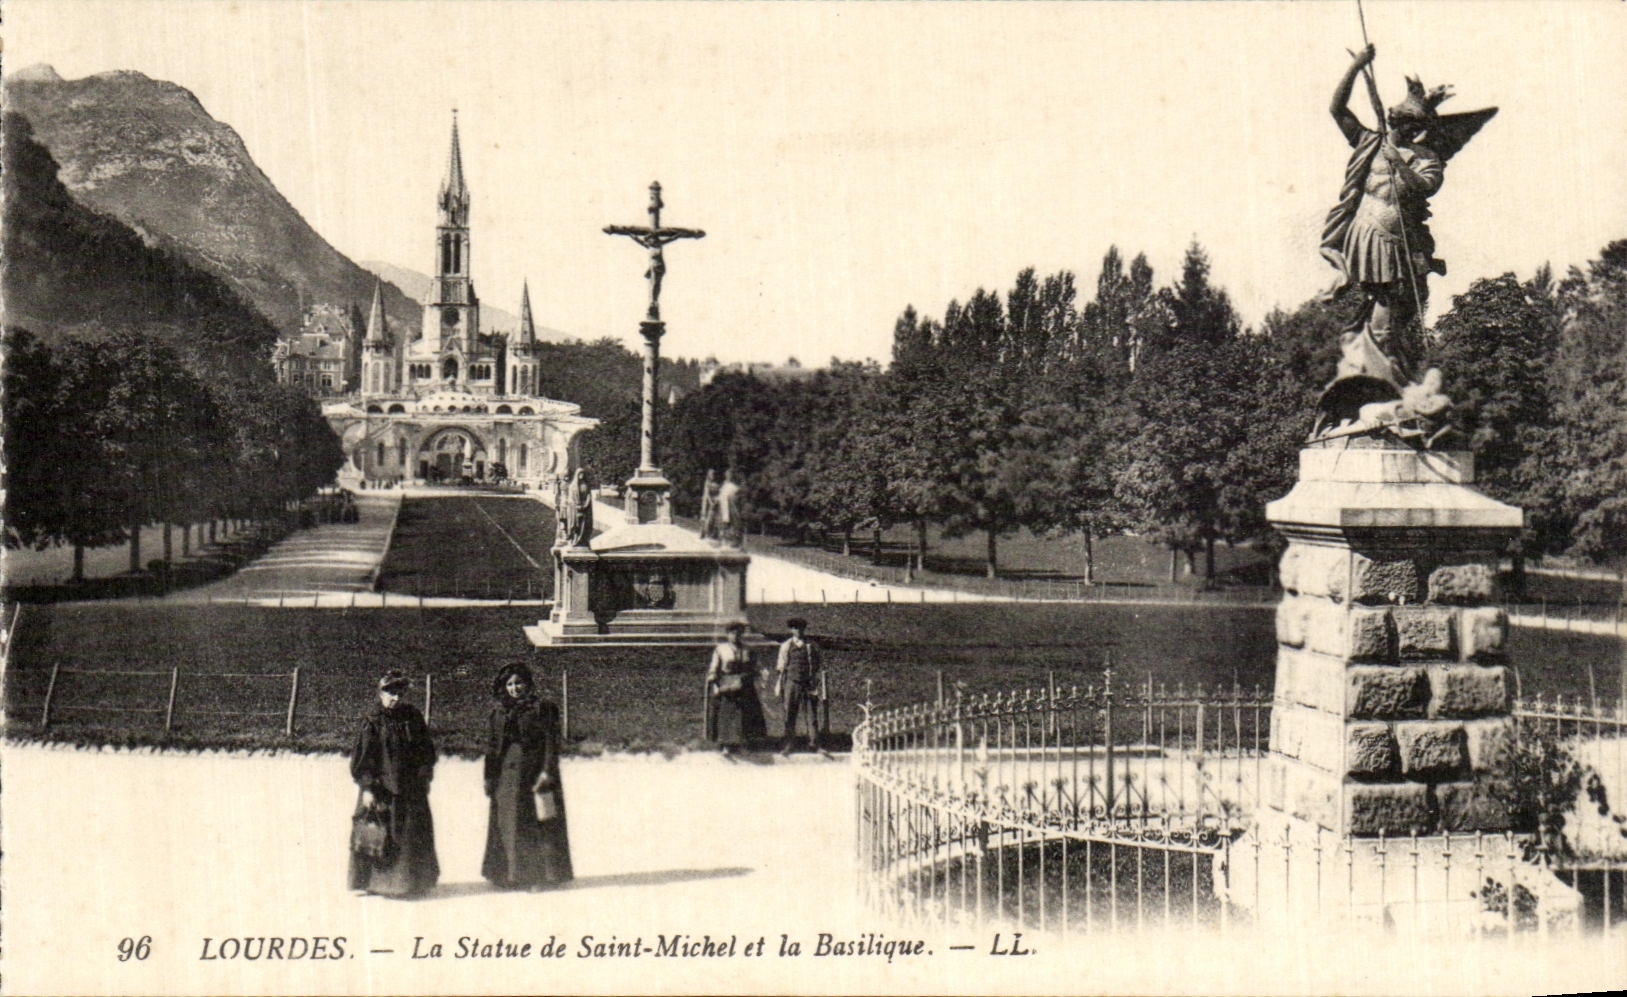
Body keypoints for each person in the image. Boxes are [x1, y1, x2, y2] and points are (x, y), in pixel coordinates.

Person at [1317, 43, 1495, 427]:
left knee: (1394, 317)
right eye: (1397, 120)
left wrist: (1402, 164)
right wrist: (1357, 67)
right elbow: (1337, 109)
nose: (1400, 126)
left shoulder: (1426, 157)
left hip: (1402, 244)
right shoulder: (1369, 143)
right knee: (1380, 317)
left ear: (1417, 128)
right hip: (1368, 235)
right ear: (1393, 118)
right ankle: (1381, 388)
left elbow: (1426, 188)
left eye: (1408, 125)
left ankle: (1389, 386)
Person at [481, 663, 573, 890]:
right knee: (509, 824)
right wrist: (489, 777)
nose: (515, 688)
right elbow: (492, 749)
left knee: (537, 823)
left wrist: (547, 771)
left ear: (528, 683)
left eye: (519, 683)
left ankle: (538, 877)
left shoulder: (542, 708)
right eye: (510, 684)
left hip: (534, 773)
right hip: (507, 777)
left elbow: (551, 742)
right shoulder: (498, 713)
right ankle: (508, 875)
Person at [348, 671, 439, 898]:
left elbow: (426, 750)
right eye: (390, 693)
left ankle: (409, 883)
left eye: (399, 693)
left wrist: (424, 774)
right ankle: (374, 882)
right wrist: (367, 787)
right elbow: (363, 758)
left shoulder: (412, 717)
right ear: (380, 693)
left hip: (410, 788)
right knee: (379, 832)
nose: (395, 698)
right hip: (382, 788)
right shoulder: (372, 721)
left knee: (409, 834)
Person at [705, 621, 766, 756]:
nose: (735, 636)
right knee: (727, 715)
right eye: (732, 633)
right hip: (728, 685)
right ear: (727, 634)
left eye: (739, 633)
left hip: (745, 686)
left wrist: (761, 674)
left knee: (746, 714)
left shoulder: (748, 649)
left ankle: (744, 743)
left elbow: (757, 667)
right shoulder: (721, 649)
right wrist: (715, 685)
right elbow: (714, 669)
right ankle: (726, 745)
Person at [774, 617, 826, 755]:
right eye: (795, 628)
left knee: (811, 714)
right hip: (792, 683)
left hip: (808, 683)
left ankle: (814, 743)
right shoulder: (786, 646)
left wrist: (815, 678)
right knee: (790, 713)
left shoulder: (811, 645)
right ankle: (789, 744)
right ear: (791, 630)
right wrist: (781, 684)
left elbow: (818, 663)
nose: (798, 631)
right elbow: (781, 667)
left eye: (801, 628)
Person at [567, 468, 594, 548]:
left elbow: (589, 495)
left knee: (584, 524)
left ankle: (583, 541)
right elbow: (570, 498)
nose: (581, 476)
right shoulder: (572, 486)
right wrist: (576, 505)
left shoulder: (586, 485)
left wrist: (586, 504)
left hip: (584, 508)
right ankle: (575, 540)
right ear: (577, 475)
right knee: (576, 524)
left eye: (582, 474)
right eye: (580, 474)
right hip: (576, 508)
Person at [698, 469, 720, 540]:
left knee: (709, 517)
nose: (712, 476)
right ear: (708, 475)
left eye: (713, 474)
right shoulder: (707, 483)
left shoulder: (712, 483)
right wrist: (710, 502)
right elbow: (707, 494)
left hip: (709, 500)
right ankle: (703, 532)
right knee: (705, 516)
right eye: (711, 474)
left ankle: (706, 532)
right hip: (706, 501)